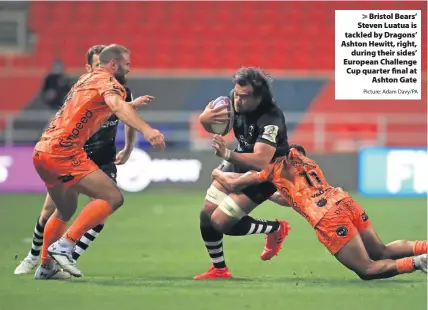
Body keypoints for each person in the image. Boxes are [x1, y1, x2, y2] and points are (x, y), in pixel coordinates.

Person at [32, 44, 165, 280]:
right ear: (114, 64)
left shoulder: (86, 79)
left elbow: (97, 108)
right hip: (65, 152)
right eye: (127, 63)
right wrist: (148, 130)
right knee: (112, 197)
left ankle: (45, 266)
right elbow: (115, 106)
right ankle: (65, 246)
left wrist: (129, 107)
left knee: (66, 209)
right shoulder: (110, 83)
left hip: (42, 150)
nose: (129, 68)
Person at [212, 144, 428, 280]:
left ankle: (419, 262)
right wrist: (269, 195)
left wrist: (218, 173)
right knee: (381, 251)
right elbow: (291, 199)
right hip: (345, 202)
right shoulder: (306, 161)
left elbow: (234, 185)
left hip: (329, 218)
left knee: (366, 269)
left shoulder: (273, 169)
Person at [195, 67, 291, 280]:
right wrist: (205, 119)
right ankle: (219, 269)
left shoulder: (271, 118)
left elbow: (261, 160)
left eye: (244, 97)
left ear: (259, 97)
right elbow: (215, 125)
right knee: (207, 212)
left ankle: (275, 228)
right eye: (236, 93)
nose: (237, 100)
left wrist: (227, 154)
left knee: (222, 222)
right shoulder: (232, 99)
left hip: (265, 173)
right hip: (240, 157)